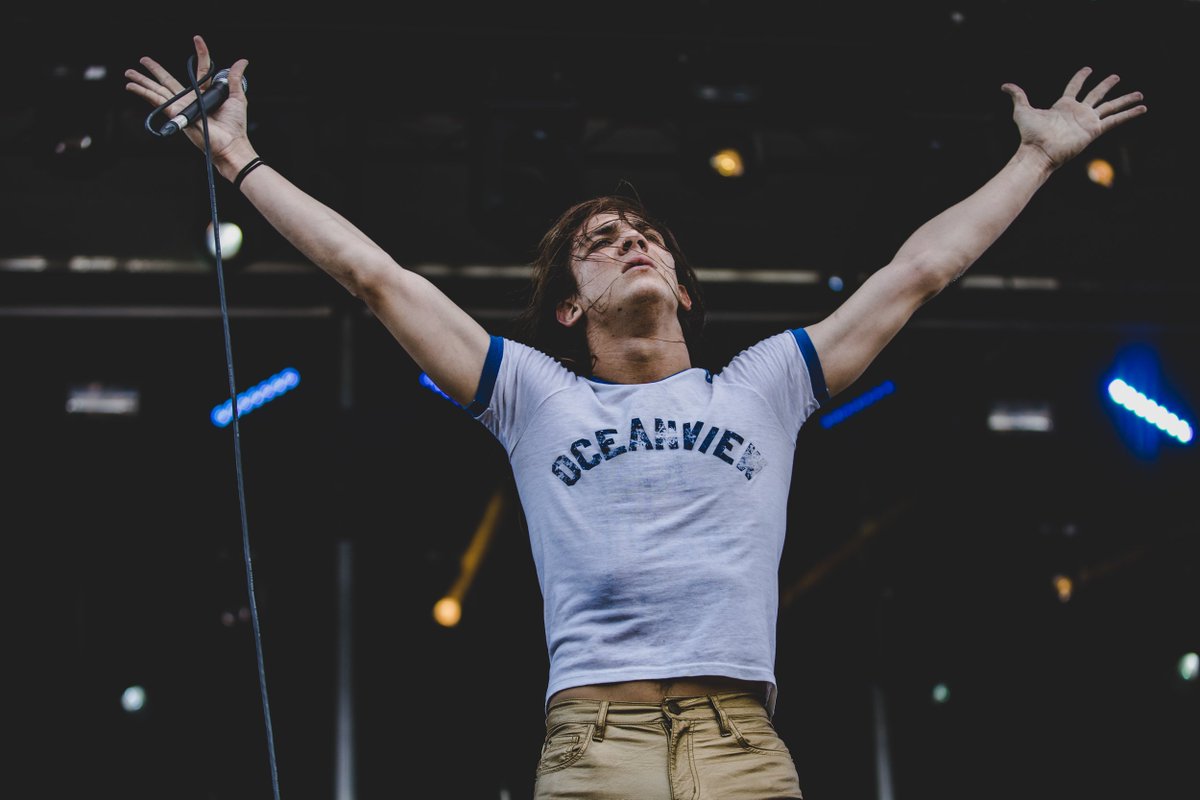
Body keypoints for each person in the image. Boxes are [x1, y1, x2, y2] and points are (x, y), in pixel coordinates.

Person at [126, 34, 1146, 799]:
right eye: (603, 240)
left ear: (685, 292)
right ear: (571, 305)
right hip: (593, 736)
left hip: (743, 738)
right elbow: (373, 275)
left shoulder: (762, 383)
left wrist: (1038, 159)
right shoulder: (533, 392)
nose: (633, 244)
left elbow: (920, 269)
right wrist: (237, 159)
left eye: (647, 237)